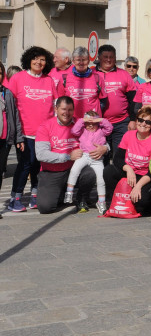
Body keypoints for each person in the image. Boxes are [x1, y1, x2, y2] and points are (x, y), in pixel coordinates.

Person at [8, 46, 57, 211]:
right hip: (26, 133)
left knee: (39, 166)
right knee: (25, 165)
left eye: (42, 59)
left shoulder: (49, 81)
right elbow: (10, 107)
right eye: (35, 58)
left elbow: (57, 105)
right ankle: (15, 198)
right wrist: (17, 135)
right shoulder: (18, 79)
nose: (39, 62)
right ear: (29, 60)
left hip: (45, 133)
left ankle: (34, 196)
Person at [35, 96, 102, 214]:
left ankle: (81, 198)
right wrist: (67, 156)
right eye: (63, 109)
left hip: (76, 167)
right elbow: (41, 154)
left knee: (91, 171)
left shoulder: (80, 124)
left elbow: (99, 136)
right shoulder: (45, 126)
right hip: (52, 171)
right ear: (56, 109)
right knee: (45, 208)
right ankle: (61, 192)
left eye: (70, 110)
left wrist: (105, 148)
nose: (67, 113)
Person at [104, 107, 151, 216]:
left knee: (141, 206)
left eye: (148, 122)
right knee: (109, 170)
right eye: (140, 120)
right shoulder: (128, 135)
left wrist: (138, 186)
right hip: (129, 172)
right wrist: (128, 168)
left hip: (144, 176)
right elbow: (117, 158)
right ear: (136, 121)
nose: (143, 124)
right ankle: (110, 203)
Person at [65, 111, 112, 214]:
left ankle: (101, 201)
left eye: (94, 123)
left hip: (97, 160)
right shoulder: (82, 131)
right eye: (88, 123)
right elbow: (74, 130)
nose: (91, 125)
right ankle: (69, 192)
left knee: (101, 180)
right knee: (74, 170)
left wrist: (100, 120)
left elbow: (109, 128)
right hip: (84, 156)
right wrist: (83, 120)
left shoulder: (101, 131)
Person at [95, 44, 137, 153]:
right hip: (98, 124)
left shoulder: (124, 74)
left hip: (121, 123)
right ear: (99, 58)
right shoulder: (91, 74)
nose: (108, 60)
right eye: (105, 57)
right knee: (100, 157)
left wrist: (133, 120)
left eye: (111, 57)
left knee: (119, 156)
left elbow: (133, 99)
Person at [57, 46, 107, 119]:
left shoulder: (98, 78)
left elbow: (103, 101)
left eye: (84, 60)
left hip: (91, 123)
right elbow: (60, 101)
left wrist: (93, 112)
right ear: (73, 61)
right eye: (78, 60)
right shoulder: (64, 78)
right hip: (72, 122)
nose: (81, 63)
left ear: (88, 61)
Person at [0, 61, 22, 204]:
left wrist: (18, 138)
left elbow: (14, 115)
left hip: (4, 140)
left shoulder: (7, 92)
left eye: (0, 72)